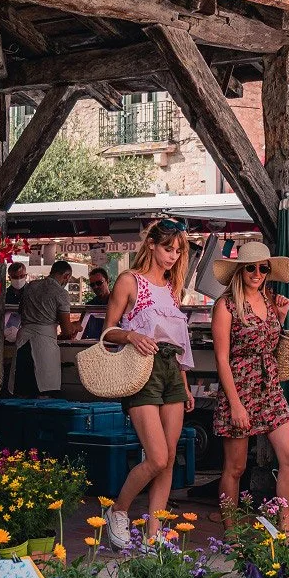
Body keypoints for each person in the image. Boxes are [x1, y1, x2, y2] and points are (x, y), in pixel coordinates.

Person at [103, 220, 194, 547]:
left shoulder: (172, 289)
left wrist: (184, 382)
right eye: (168, 248)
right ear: (152, 244)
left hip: (172, 369)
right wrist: (131, 335)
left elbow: (177, 339)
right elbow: (106, 332)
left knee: (168, 458)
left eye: (178, 250)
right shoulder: (130, 281)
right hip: (142, 369)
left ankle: (154, 539)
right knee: (155, 457)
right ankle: (119, 509)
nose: (173, 256)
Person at [211, 242, 289, 531]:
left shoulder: (271, 301)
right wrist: (235, 404)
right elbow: (222, 359)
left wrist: (280, 319)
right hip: (239, 387)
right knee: (235, 468)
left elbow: (271, 345)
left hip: (269, 387)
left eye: (263, 267)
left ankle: (284, 531)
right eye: (251, 267)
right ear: (240, 270)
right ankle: (231, 532)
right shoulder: (226, 305)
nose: (258, 273)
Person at [14, 261, 76, 397]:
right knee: (46, 391)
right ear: (66, 275)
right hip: (44, 344)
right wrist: (75, 326)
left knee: (23, 391)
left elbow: (20, 312)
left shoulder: (30, 286)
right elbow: (67, 330)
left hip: (23, 341)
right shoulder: (61, 293)